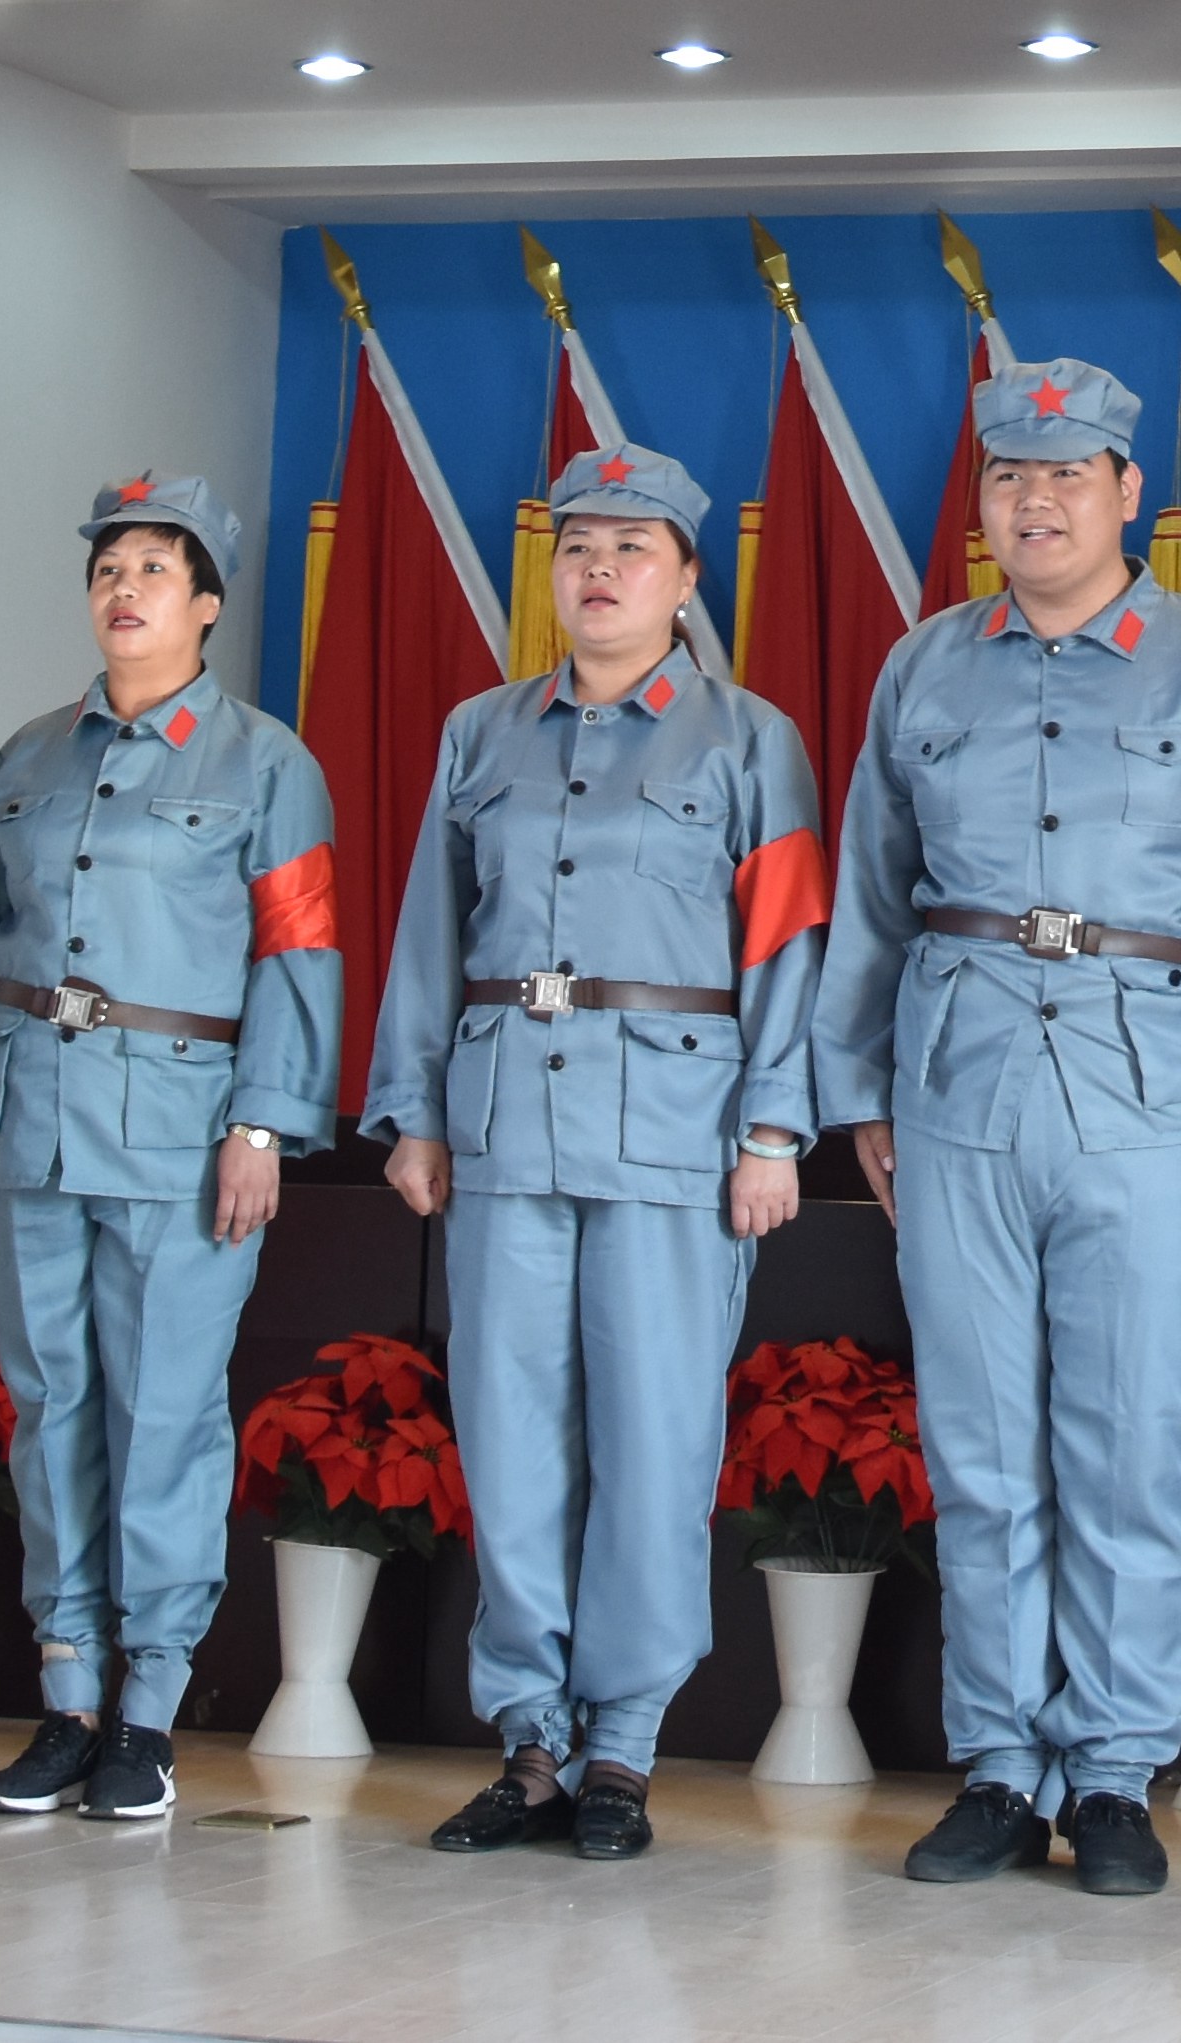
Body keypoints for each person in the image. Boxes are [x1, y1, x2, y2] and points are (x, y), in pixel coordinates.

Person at [822, 360, 1181, 1897]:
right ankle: (997, 1766)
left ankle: (1111, 1773)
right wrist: (859, 1089)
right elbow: (870, 888)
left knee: (1129, 1445)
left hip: (1150, 1094)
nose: (1033, 499)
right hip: (957, 1084)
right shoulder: (923, 667)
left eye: (1065, 473)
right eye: (1007, 475)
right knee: (980, 1445)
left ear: (1128, 496)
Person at [362, 445, 830, 1865]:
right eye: (578, 549)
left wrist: (772, 1130)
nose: (602, 571)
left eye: (634, 549)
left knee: (653, 1439)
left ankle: (622, 1741)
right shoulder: (481, 732)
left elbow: (788, 948)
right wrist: (414, 1108)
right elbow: (429, 932)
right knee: (509, 1440)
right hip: (505, 1121)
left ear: (686, 580)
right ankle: (531, 1741)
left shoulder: (750, 740)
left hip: (677, 1137)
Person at [0, 472, 340, 1826]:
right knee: (51, 1408)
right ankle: (68, 1696)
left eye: (154, 567)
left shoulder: (268, 765)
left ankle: (148, 1707)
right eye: (107, 569)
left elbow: (299, 955)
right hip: (27, 1116)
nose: (125, 588)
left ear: (206, 604)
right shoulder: (28, 759)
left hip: (181, 1135)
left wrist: (265, 1122)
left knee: (161, 1415)